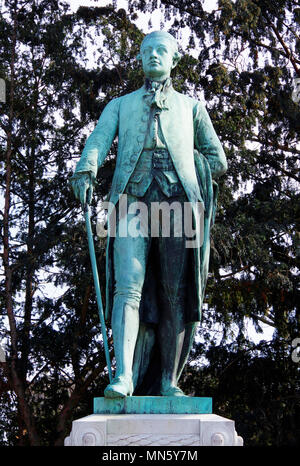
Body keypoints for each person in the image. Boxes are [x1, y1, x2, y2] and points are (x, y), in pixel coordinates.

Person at [71, 31, 227, 398]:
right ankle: (123, 377)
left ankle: (169, 381)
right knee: (127, 285)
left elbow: (218, 159)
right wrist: (85, 168)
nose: (153, 57)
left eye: (162, 51)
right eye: (147, 52)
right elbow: (98, 138)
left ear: (174, 60)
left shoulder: (192, 107)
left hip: (179, 203)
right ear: (139, 59)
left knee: (175, 291)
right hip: (130, 200)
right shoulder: (120, 105)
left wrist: (189, 167)